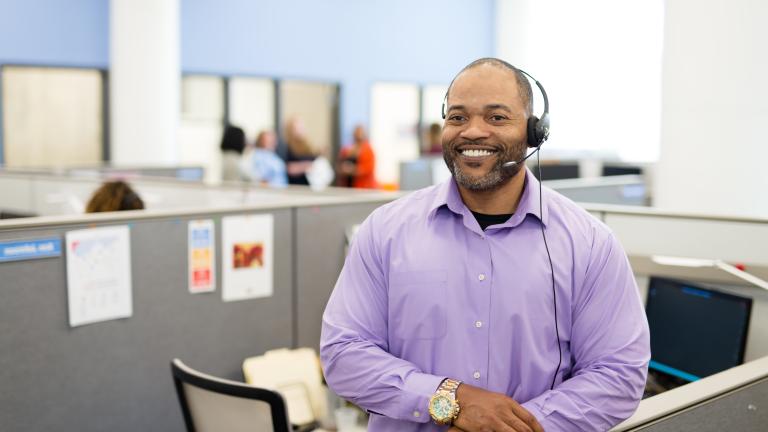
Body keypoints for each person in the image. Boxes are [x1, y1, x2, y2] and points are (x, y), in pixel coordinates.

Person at [320, 58, 650, 431]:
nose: (473, 132)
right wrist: (450, 401)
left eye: (496, 117)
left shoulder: (589, 244)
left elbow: (618, 375)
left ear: (533, 132)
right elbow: (343, 354)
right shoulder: (385, 231)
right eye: (458, 117)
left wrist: (512, 426)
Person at [336, 125, 377, 189]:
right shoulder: (346, 149)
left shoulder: (368, 150)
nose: (358, 135)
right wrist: (343, 169)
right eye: (356, 133)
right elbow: (339, 164)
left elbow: (368, 169)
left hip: (363, 186)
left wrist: (353, 170)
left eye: (360, 133)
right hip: (347, 185)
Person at [283, 118, 317, 186]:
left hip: (311, 185)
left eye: (301, 127)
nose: (300, 130)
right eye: (297, 128)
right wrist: (305, 167)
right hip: (296, 185)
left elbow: (313, 160)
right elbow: (287, 168)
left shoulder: (308, 146)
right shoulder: (287, 147)